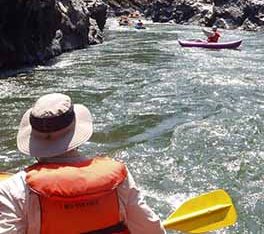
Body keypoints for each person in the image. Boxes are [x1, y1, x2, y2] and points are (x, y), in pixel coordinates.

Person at [0, 93, 166, 234]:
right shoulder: (118, 179)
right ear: (76, 135)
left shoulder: (13, 189)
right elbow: (151, 230)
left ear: (33, 139)